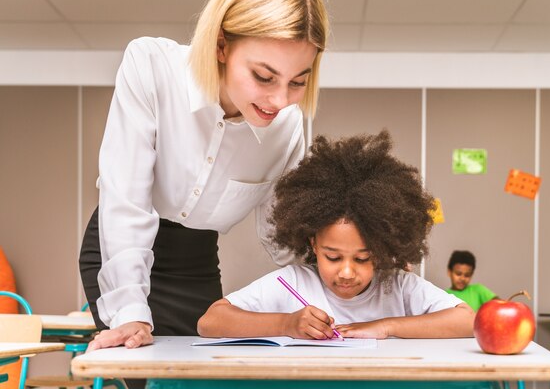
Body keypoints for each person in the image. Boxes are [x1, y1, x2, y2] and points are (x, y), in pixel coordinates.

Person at [79, 0, 330, 352]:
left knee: (197, 373)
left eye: (298, 81)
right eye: (264, 77)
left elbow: (284, 235)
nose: (280, 100)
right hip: (122, 241)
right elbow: (125, 200)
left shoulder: (288, 125)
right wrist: (130, 312)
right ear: (220, 45)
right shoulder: (152, 68)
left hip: (195, 263)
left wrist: (341, 267)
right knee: (145, 368)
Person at [198, 131, 475, 340]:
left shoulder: (397, 287)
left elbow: (466, 319)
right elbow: (210, 322)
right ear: (313, 244)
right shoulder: (292, 282)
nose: (346, 272)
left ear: (381, 249)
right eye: (333, 256)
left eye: (363, 258)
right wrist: (286, 324)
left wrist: (386, 326)